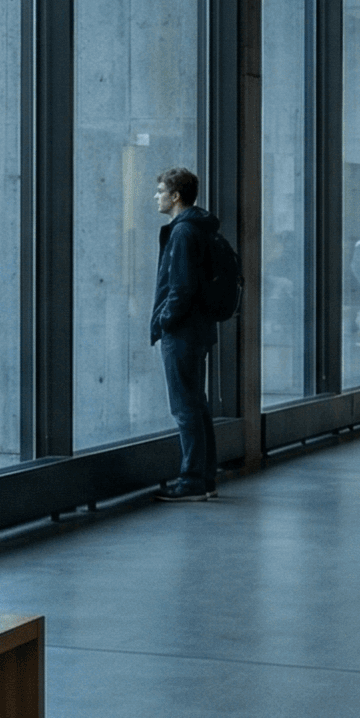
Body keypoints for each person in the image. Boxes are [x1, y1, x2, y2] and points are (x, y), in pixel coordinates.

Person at [149, 167, 222, 501]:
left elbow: (181, 287)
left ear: (175, 196)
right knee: (197, 404)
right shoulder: (200, 227)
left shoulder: (182, 232)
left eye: (161, 191)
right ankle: (205, 478)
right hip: (200, 327)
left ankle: (192, 481)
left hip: (182, 331)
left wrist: (165, 320)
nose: (156, 196)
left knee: (184, 408)